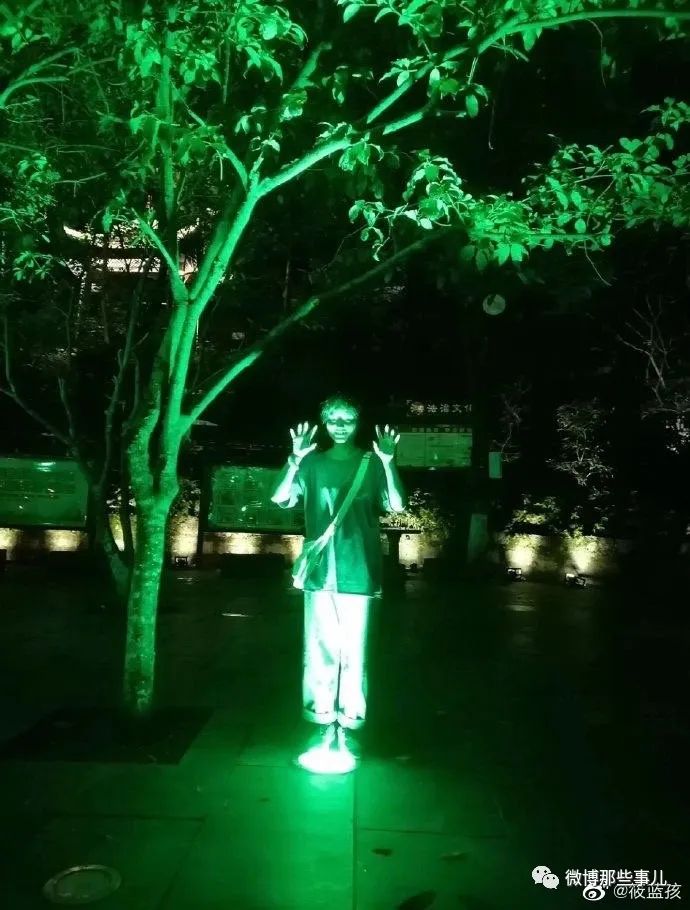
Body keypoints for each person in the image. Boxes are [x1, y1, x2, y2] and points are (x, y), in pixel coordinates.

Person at [271, 394, 406, 764]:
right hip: (320, 572)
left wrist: (389, 463)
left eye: (347, 419)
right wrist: (294, 459)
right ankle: (321, 720)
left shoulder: (371, 462)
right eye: (334, 419)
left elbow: (397, 504)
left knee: (355, 654)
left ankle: (350, 723)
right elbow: (279, 497)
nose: (340, 426)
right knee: (319, 651)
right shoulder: (312, 463)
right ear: (325, 423)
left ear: (358, 421)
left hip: (359, 569)